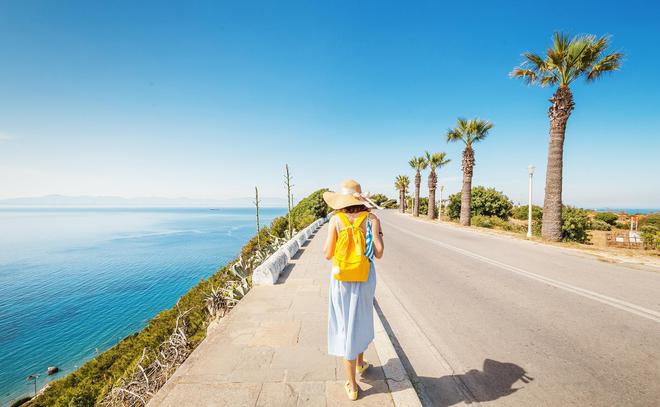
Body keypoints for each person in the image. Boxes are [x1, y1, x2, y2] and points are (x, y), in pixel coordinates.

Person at [323, 180, 384, 401]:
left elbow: (328, 254)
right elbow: (378, 253)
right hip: (365, 277)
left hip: (342, 280)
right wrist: (377, 235)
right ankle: (360, 363)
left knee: (344, 325)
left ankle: (352, 384)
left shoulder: (335, 220)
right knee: (360, 318)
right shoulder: (371, 219)